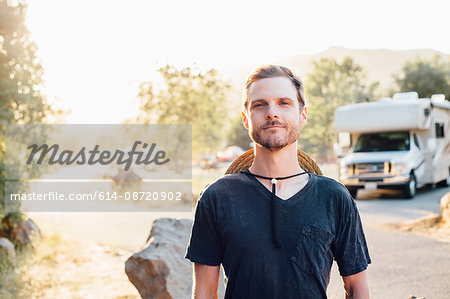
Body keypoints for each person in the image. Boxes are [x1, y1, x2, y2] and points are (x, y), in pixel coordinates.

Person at [185, 65, 371, 299]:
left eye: (284, 103)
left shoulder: (334, 196)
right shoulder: (218, 197)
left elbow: (357, 289)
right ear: (246, 118)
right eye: (259, 104)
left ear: (303, 115)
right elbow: (204, 293)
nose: (272, 113)